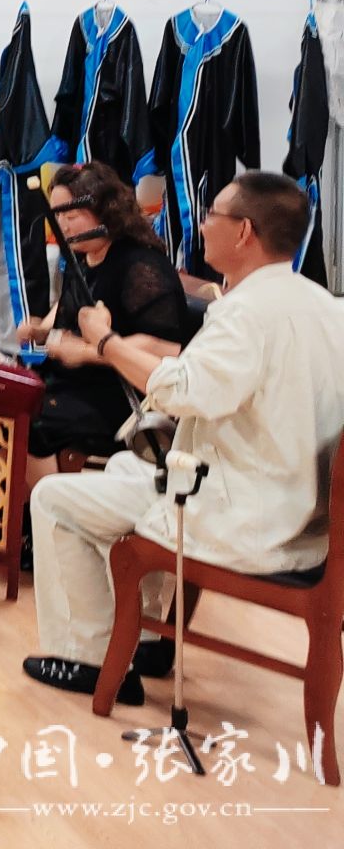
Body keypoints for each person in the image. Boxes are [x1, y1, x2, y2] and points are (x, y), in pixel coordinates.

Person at [22, 171, 344, 703]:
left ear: (244, 231)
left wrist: (105, 342)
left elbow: (181, 391)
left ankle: (89, 659)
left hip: (247, 522)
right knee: (128, 468)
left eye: (212, 214)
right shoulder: (329, 308)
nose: (202, 222)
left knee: (56, 500)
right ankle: (146, 638)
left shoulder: (246, 313)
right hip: (305, 519)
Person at [9, 161, 192, 489]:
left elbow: (165, 348)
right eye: (58, 215)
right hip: (74, 383)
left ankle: (46, 514)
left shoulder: (141, 265)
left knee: (31, 421)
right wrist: (39, 329)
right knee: (8, 395)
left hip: (118, 395)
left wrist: (85, 352)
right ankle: (16, 507)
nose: (62, 224)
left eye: (71, 214)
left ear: (106, 210)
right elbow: (68, 312)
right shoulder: (82, 259)